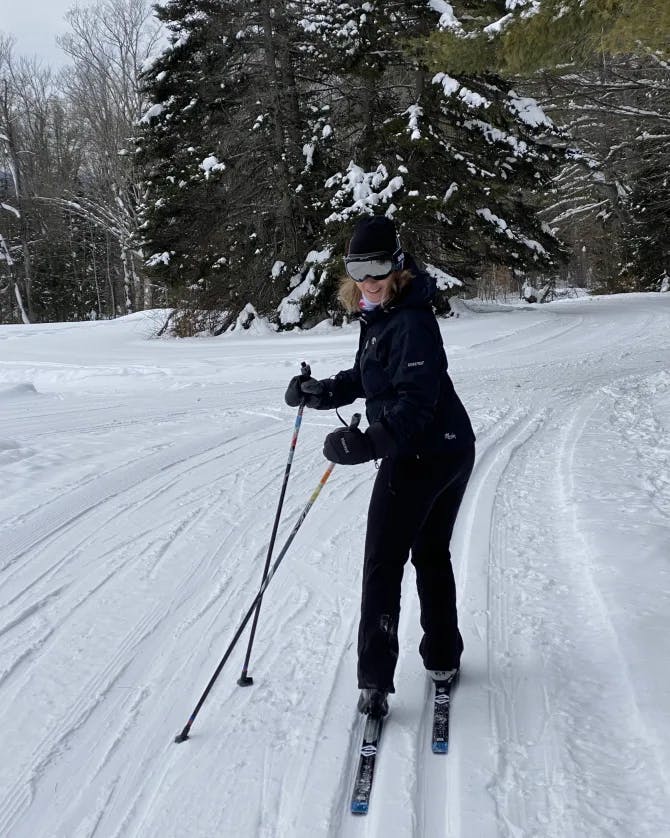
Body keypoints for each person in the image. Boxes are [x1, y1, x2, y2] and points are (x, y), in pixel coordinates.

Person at [285, 216, 475, 718]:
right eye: (359, 267)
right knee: (431, 553)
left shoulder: (410, 319)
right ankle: (442, 658)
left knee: (383, 563)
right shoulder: (384, 315)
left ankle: (374, 680)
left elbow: (416, 402)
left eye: (379, 265)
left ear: (398, 264)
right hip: (451, 449)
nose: (370, 278)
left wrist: (369, 444)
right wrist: (322, 391)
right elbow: (372, 376)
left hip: (423, 456)